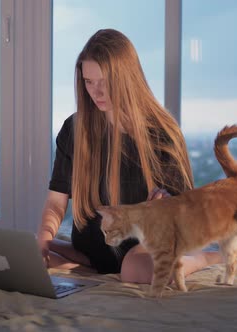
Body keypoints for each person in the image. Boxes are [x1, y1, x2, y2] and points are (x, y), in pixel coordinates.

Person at [36, 28, 222, 284]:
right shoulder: (73, 129)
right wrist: (43, 240)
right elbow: (56, 203)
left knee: (134, 269)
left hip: (143, 247)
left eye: (105, 82)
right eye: (88, 82)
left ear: (126, 78)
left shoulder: (161, 133)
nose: (96, 92)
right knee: (23, 249)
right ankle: (91, 268)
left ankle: (205, 258)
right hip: (91, 251)